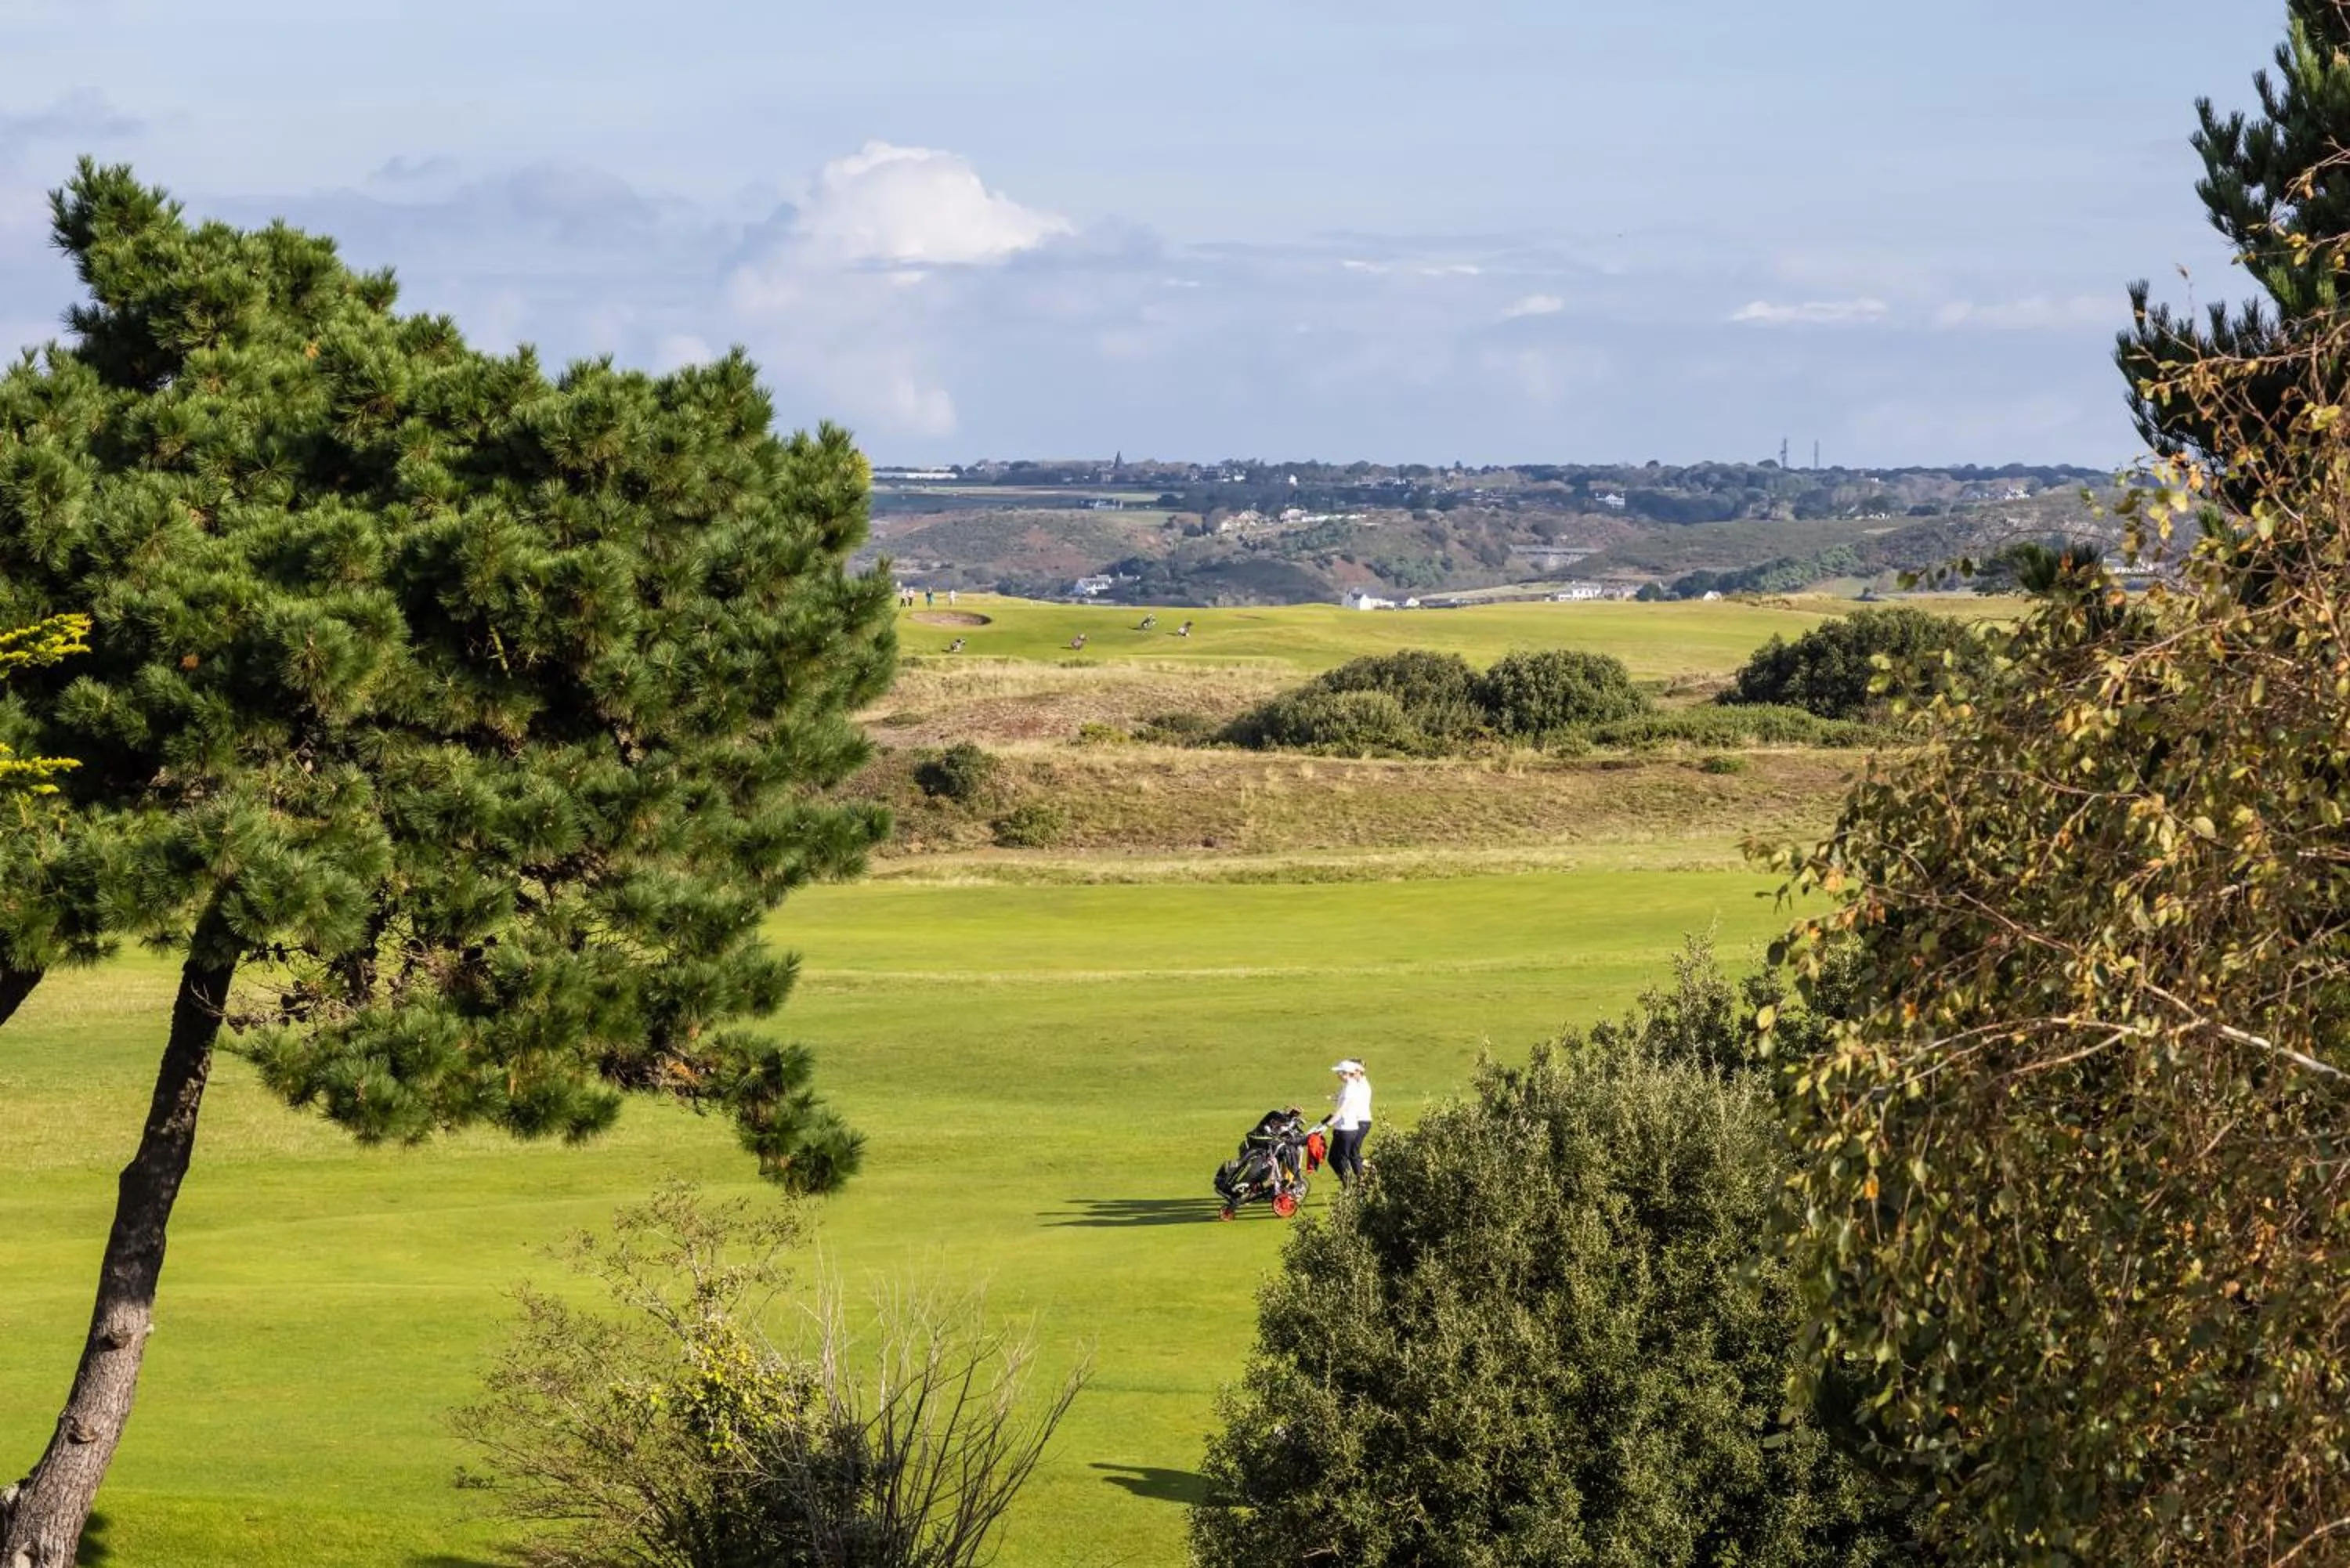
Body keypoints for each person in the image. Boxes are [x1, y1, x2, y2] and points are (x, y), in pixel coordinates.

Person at [1327, 1059, 1372, 1185]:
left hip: (1360, 1122)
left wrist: (1332, 1120)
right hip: (1355, 1122)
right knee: (1351, 1154)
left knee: (1352, 1155)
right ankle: (1361, 1179)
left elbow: (1349, 1104)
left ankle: (1361, 1182)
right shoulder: (1353, 1085)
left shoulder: (1360, 1086)